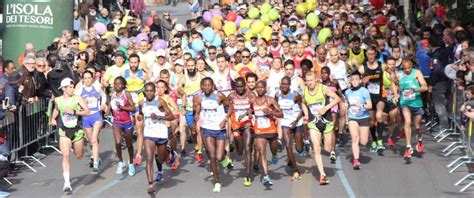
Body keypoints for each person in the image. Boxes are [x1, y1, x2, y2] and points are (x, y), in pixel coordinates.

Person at [50, 78, 90, 193]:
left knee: (79, 155)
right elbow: (57, 110)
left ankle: (79, 146)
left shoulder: (77, 99)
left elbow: (87, 111)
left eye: (73, 87)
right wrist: (53, 118)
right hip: (64, 131)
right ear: (63, 88)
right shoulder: (58, 100)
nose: (73, 89)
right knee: (66, 155)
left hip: (77, 131)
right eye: (70, 87)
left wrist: (75, 112)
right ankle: (67, 183)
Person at [194, 77, 232, 193]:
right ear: (202, 86)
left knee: (219, 156)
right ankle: (217, 182)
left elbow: (230, 106)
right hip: (207, 128)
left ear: (212, 85)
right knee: (212, 155)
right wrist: (196, 114)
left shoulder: (219, 95)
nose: (207, 87)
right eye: (205, 85)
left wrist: (225, 119)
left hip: (219, 128)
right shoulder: (199, 97)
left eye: (209, 85)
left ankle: (224, 159)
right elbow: (198, 108)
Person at [302, 71, 340, 185]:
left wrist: (326, 107)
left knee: (327, 148)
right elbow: (303, 103)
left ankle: (325, 139)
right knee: (316, 148)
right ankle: (322, 175)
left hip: (326, 121)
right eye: (307, 81)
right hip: (314, 123)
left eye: (311, 80)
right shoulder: (305, 91)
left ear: (316, 80)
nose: (309, 83)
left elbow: (337, 99)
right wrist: (306, 114)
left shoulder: (323, 89)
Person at [139, 82, 174, 194]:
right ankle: (150, 184)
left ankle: (168, 152)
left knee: (161, 159)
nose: (149, 93)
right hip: (149, 134)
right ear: (144, 91)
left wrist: (159, 116)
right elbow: (141, 113)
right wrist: (140, 116)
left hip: (160, 133)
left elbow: (171, 116)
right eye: (147, 91)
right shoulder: (141, 102)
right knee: (149, 159)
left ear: (154, 92)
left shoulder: (160, 102)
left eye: (151, 91)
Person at [394, 58, 428, 160]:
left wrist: (414, 90)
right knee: (407, 122)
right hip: (405, 103)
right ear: (402, 68)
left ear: (412, 66)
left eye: (409, 68)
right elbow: (395, 85)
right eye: (405, 68)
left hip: (417, 103)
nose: (407, 70)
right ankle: (408, 147)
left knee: (417, 126)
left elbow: (425, 87)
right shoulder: (399, 75)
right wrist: (396, 95)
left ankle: (420, 139)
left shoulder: (417, 73)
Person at [251, 80, 283, 187]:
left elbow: (281, 114)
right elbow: (250, 111)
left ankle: (274, 155)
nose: (260, 89)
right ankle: (266, 176)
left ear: (265, 88)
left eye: (262, 87)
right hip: (259, 131)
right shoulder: (253, 100)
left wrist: (270, 112)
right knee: (262, 152)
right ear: (255, 89)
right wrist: (248, 115)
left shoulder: (270, 100)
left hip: (271, 130)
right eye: (258, 87)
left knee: (273, 149)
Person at [75, 71, 107, 172]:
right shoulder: (80, 91)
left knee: (93, 138)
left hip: (96, 115)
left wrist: (102, 104)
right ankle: (95, 156)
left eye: (89, 78)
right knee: (91, 141)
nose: (88, 80)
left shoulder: (97, 88)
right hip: (86, 117)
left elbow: (104, 95)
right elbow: (75, 102)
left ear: (92, 78)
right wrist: (80, 105)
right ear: (83, 79)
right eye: (85, 78)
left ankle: (96, 162)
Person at [227, 77, 255, 186]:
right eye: (237, 86)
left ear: (245, 85)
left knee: (248, 149)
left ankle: (247, 175)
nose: (240, 89)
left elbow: (255, 106)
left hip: (247, 123)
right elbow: (227, 106)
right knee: (240, 151)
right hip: (235, 125)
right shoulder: (231, 95)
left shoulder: (251, 95)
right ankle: (235, 146)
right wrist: (226, 117)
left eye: (242, 86)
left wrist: (250, 112)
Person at [357, 47, 386, 152]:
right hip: (368, 98)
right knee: (372, 121)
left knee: (379, 115)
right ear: (366, 55)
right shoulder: (362, 68)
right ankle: (374, 140)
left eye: (372, 54)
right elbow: (355, 81)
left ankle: (380, 141)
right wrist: (362, 81)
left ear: (375, 54)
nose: (370, 56)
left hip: (380, 96)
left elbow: (392, 75)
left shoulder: (382, 65)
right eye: (368, 54)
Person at [276, 76, 303, 180]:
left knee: (298, 148)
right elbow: (275, 106)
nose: (284, 86)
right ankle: (296, 169)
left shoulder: (295, 95)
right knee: (287, 145)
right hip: (285, 122)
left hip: (297, 121)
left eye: (286, 84)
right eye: (283, 84)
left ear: (290, 85)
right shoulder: (277, 94)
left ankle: (299, 150)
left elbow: (303, 109)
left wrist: (296, 121)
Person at [344, 71, 372, 169]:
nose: (355, 82)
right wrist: (346, 107)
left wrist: (362, 105)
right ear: (350, 81)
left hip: (364, 117)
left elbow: (370, 105)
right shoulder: (347, 92)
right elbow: (346, 104)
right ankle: (356, 160)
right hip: (353, 118)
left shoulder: (364, 91)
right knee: (355, 139)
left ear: (360, 80)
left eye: (356, 79)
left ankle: (364, 136)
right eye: (353, 80)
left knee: (363, 141)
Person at [109, 76, 136, 176]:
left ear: (123, 85)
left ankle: (131, 163)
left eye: (119, 84)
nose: (117, 86)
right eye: (115, 84)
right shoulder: (113, 95)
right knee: (118, 142)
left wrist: (122, 107)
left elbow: (133, 109)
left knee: (129, 145)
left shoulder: (126, 94)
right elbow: (111, 107)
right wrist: (107, 109)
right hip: (116, 122)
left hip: (127, 122)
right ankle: (121, 162)